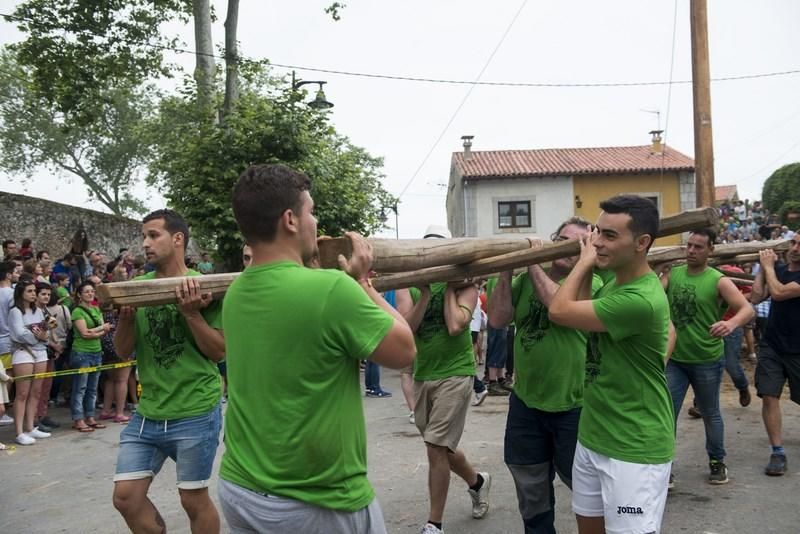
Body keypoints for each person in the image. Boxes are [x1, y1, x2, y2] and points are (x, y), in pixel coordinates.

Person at [218, 163, 415, 533]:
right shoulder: (331, 289)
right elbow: (404, 350)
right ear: (290, 220)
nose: (316, 221)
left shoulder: (236, 292)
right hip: (316, 500)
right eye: (311, 211)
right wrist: (362, 283)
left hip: (241, 487)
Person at [548, 195, 675, 534]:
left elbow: (559, 311)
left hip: (633, 446)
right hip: (593, 436)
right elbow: (585, 308)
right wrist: (591, 264)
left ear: (642, 243)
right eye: (597, 233)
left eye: (609, 236)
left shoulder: (640, 299)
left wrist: (584, 262)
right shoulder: (617, 287)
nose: (598, 243)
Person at [112, 209, 226, 534]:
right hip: (148, 413)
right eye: (143, 236)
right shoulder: (137, 288)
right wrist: (126, 319)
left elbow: (218, 351)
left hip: (194, 411)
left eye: (153, 235)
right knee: (126, 498)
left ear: (177, 239)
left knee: (193, 499)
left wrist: (191, 314)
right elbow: (122, 351)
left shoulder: (207, 288)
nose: (145, 243)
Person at [490, 217, 603, 534]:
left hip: (573, 405)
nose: (566, 248)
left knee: (581, 482)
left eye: (576, 244)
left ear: (586, 252)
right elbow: (498, 319)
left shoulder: (590, 283)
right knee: (530, 484)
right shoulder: (524, 281)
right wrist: (506, 269)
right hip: (526, 402)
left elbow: (558, 305)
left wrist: (532, 263)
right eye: (562, 239)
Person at [396, 224, 492, 534]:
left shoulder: (467, 285)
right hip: (425, 374)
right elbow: (406, 329)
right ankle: (477, 482)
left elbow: (454, 326)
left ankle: (433, 524)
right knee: (441, 447)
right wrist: (424, 293)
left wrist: (450, 285)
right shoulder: (408, 284)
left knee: (435, 448)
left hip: (456, 373)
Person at [660, 228, 753, 486]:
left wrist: (731, 324)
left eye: (698, 247)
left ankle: (717, 461)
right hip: (676, 359)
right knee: (667, 413)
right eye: (689, 245)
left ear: (710, 250)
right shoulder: (674, 274)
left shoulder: (718, 280)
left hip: (707, 359)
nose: (691, 251)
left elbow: (747, 309)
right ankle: (663, 466)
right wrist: (657, 272)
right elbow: (653, 296)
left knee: (711, 413)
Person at [750, 234, 800, 476]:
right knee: (769, 395)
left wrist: (768, 267)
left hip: (798, 349)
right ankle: (777, 451)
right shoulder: (778, 269)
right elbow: (757, 297)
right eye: (794, 243)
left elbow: (779, 293)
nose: (795, 249)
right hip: (772, 344)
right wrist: (762, 269)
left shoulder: (785, 274)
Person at [9, 278, 52, 445]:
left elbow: (46, 332)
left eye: (34, 291)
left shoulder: (38, 311)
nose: (33, 294)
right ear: (21, 293)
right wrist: (37, 336)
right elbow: (19, 334)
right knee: (22, 393)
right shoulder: (15, 312)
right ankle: (19, 431)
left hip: (41, 352)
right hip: (23, 352)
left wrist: (41, 336)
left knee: (36, 391)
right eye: (30, 291)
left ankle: (30, 427)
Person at [69, 281, 110, 433]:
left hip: (96, 351)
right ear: (79, 295)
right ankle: (78, 418)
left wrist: (97, 332)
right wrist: (100, 330)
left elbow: (99, 331)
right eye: (86, 291)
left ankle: (90, 417)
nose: (90, 294)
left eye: (92, 291)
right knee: (80, 387)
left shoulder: (96, 309)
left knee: (92, 388)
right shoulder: (77, 312)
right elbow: (85, 333)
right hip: (82, 352)